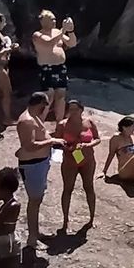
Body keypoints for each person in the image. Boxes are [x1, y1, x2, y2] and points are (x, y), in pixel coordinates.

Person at [13, 91, 64, 250]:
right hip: (32, 165)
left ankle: (35, 232)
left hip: (40, 163)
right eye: (46, 105)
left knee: (38, 200)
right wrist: (52, 141)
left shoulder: (34, 117)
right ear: (40, 104)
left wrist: (52, 139)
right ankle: (32, 239)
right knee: (34, 201)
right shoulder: (27, 121)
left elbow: (41, 136)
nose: (47, 109)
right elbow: (29, 145)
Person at [57, 99, 101, 233]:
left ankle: (92, 218)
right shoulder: (63, 124)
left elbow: (97, 138)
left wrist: (88, 145)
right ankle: (65, 220)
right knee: (67, 189)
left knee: (89, 187)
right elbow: (57, 141)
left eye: (76, 109)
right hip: (70, 161)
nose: (73, 112)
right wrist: (67, 146)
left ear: (81, 110)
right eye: (70, 109)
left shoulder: (89, 122)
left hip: (87, 161)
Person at [31, 10, 78, 120]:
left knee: (61, 96)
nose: (54, 21)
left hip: (60, 68)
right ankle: (40, 124)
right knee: (48, 96)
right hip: (47, 68)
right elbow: (49, 43)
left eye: (55, 19)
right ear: (43, 21)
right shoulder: (37, 35)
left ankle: (59, 124)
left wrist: (70, 31)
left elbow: (72, 43)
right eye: (52, 19)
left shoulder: (57, 32)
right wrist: (63, 30)